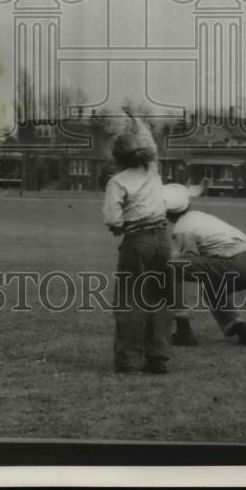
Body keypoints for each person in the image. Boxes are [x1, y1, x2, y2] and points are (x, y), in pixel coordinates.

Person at [103, 126, 172, 375]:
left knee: (130, 299)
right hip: (163, 239)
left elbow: (113, 217)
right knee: (160, 297)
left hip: (136, 240)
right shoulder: (152, 170)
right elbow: (150, 143)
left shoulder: (117, 181)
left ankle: (129, 360)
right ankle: (158, 357)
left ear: (117, 158)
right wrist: (138, 120)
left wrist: (117, 227)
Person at [163, 183, 246, 347]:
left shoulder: (182, 227)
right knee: (212, 288)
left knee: (170, 268)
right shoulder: (200, 216)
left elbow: (189, 258)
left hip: (233, 264)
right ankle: (240, 328)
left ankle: (183, 331)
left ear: (166, 213)